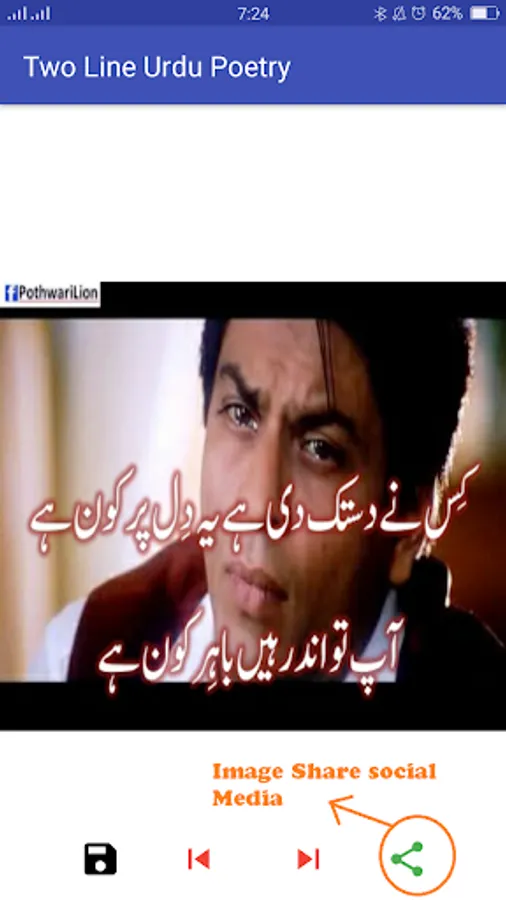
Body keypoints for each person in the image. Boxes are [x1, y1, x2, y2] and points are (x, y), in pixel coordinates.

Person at [28, 317, 506, 689]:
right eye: (240, 415)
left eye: (320, 449)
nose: (256, 507)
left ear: (404, 524)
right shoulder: (85, 653)